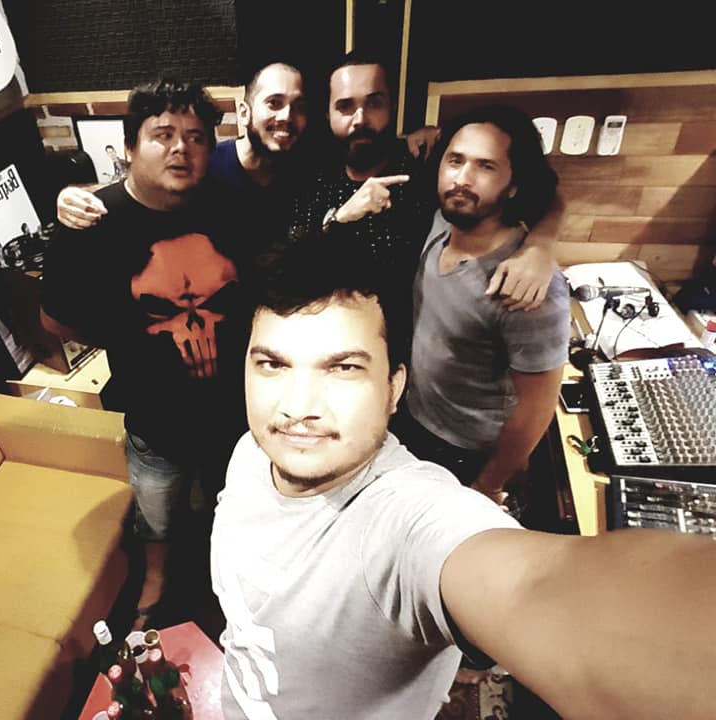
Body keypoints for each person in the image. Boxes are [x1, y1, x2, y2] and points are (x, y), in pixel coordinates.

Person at [210, 236, 716, 720]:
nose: (298, 407)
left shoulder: (404, 522)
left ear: (393, 388)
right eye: (273, 364)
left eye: (343, 369)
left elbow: (539, 588)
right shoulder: (251, 453)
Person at [40, 77, 250, 631]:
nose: (182, 148)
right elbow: (54, 319)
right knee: (156, 514)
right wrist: (128, 331)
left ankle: (222, 585)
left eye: (197, 137)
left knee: (222, 506)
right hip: (153, 421)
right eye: (163, 135)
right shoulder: (92, 222)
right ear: (130, 147)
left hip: (231, 416)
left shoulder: (228, 207)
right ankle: (155, 579)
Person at [292, 51, 558, 313]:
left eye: (374, 104)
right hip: (338, 329)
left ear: (392, 106)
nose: (360, 119)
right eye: (345, 106)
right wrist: (339, 218)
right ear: (328, 114)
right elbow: (294, 264)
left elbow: (546, 192)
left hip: (415, 332)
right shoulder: (312, 176)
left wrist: (539, 247)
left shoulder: (424, 161)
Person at [397, 105, 569, 510]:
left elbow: (536, 409)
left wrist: (489, 484)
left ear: (513, 186)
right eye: (455, 161)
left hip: (467, 453)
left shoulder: (529, 288)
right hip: (415, 419)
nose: (462, 178)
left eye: (485, 166)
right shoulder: (443, 223)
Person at [55, 61, 311, 233]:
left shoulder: (310, 171)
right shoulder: (206, 164)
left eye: (299, 107)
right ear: (244, 113)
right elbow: (139, 188)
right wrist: (72, 196)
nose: (287, 116)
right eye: (274, 103)